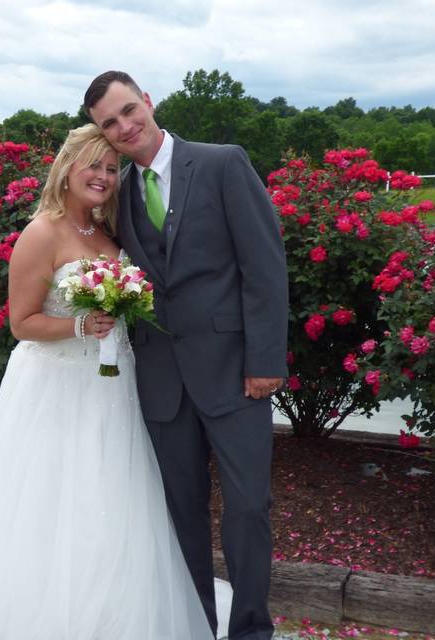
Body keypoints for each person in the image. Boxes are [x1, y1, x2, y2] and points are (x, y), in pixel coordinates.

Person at [0, 124, 215, 639]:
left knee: (115, 492)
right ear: (67, 169)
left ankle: (115, 611)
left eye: (112, 169)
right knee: (57, 498)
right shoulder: (41, 232)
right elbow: (20, 323)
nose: (104, 177)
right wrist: (81, 325)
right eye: (94, 165)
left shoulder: (107, 234)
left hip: (112, 383)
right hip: (54, 387)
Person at [84, 71, 290, 640]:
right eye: (109, 123)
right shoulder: (117, 193)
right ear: (102, 133)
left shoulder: (223, 163)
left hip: (236, 375)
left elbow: (264, 267)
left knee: (249, 508)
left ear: (148, 102)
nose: (125, 126)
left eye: (130, 110)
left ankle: (251, 629)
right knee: (182, 517)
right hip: (161, 383)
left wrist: (266, 360)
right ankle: (196, 625)